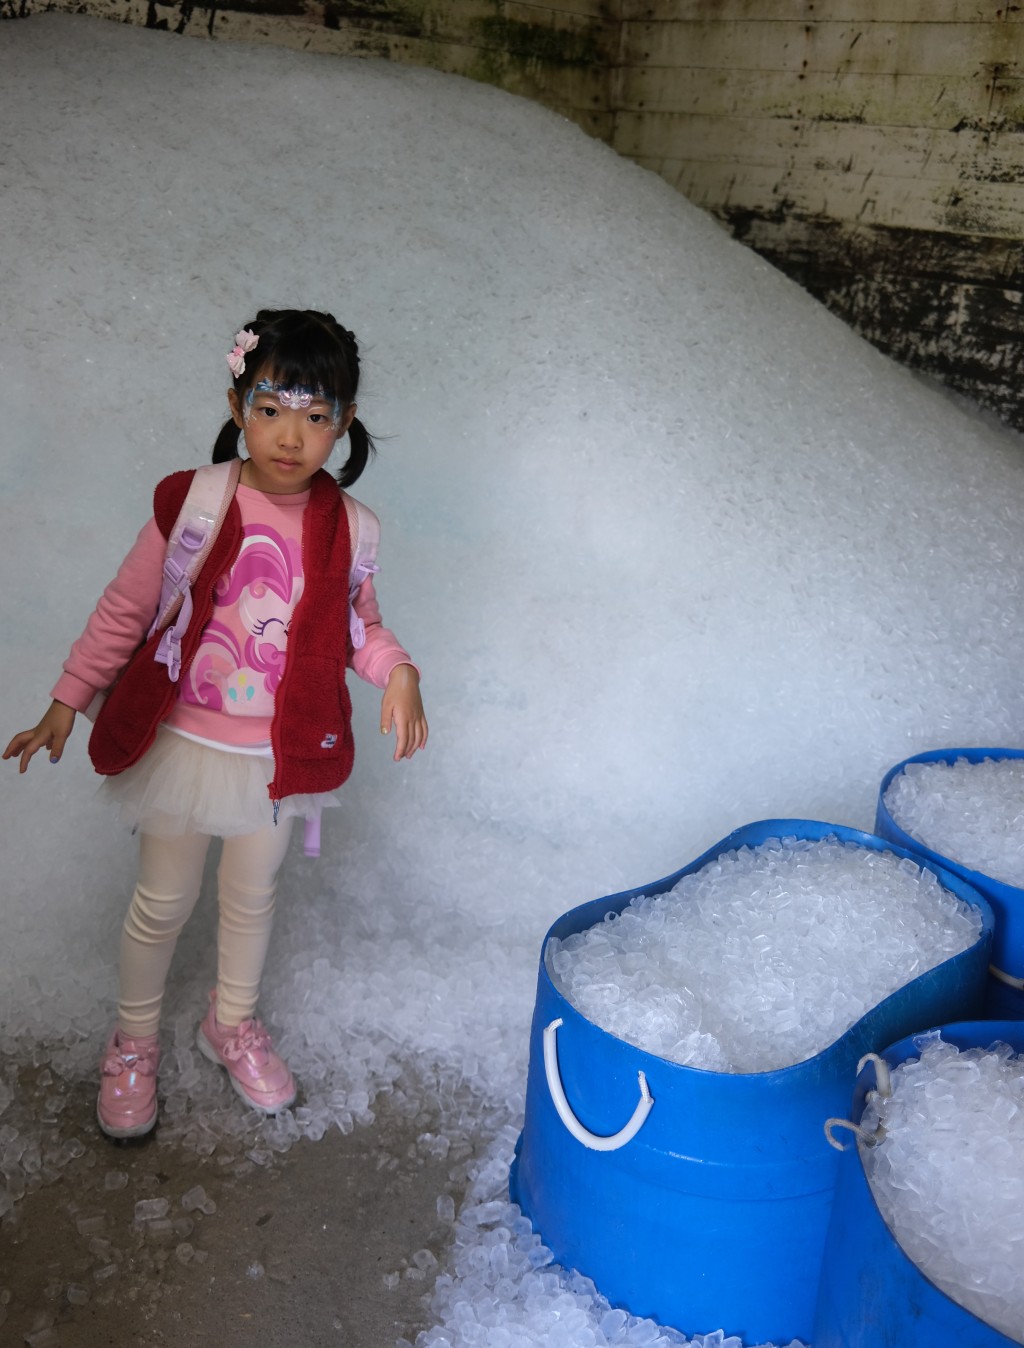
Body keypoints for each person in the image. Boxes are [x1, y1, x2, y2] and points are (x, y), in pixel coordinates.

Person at [3, 308, 427, 1139]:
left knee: (251, 895)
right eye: (270, 409)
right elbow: (126, 609)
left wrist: (399, 670)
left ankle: (229, 1022)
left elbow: (359, 629)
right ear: (237, 406)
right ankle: (133, 1042)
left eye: (316, 416)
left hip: (274, 756)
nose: (290, 437)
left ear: (344, 423)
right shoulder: (196, 502)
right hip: (184, 745)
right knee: (162, 900)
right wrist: (69, 696)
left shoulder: (350, 529)